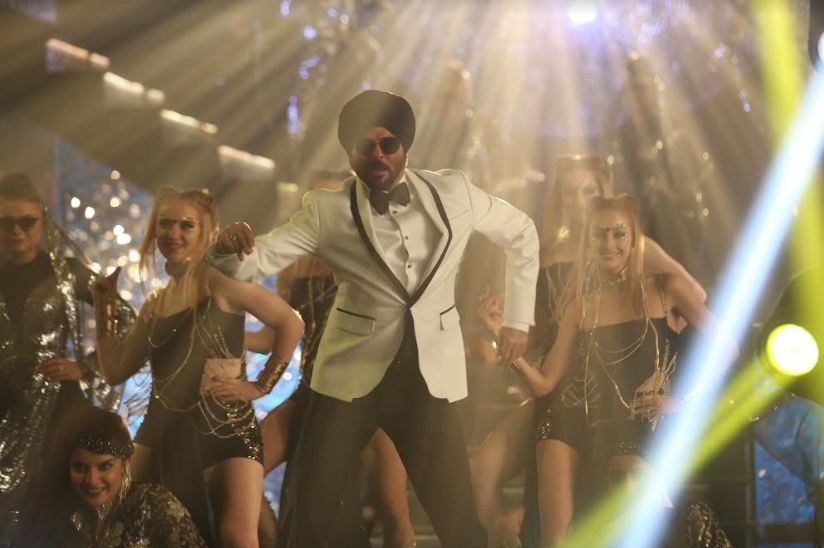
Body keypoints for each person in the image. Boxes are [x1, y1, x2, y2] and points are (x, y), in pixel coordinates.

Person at [207, 89, 540, 547]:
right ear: (350, 152)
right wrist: (226, 248)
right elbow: (255, 260)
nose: (377, 154)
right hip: (349, 377)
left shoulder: (455, 192)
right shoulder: (326, 210)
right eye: (365, 145)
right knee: (311, 512)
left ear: (406, 146)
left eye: (388, 143)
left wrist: (519, 319)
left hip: (428, 379)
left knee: (457, 518)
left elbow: (522, 233)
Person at [469, 155, 705, 547]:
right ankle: (507, 532)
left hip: (618, 397)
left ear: (602, 192)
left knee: (611, 506)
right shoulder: (546, 253)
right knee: (481, 472)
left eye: (587, 191)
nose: (578, 201)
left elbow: (693, 299)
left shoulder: (634, 246)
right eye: (569, 193)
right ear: (558, 198)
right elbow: (540, 333)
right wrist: (502, 340)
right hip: (557, 386)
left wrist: (664, 366)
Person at [92, 187, 305, 547]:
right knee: (123, 525)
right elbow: (115, 371)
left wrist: (260, 385)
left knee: (237, 538)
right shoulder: (156, 303)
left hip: (225, 431)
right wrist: (103, 308)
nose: (173, 233)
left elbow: (290, 323)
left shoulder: (217, 281)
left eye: (186, 225)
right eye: (165, 223)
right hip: (164, 430)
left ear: (205, 232)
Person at [512, 194, 721, 545]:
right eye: (599, 234)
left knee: (651, 526)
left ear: (635, 238)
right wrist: (509, 348)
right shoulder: (580, 307)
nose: (609, 243)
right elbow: (544, 383)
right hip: (583, 422)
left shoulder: (666, 287)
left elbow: (725, 350)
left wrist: (682, 402)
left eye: (618, 233)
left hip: (643, 428)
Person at [251, 169, 414, 547]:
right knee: (244, 467)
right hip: (312, 392)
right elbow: (276, 335)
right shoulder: (295, 265)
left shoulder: (375, 255)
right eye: (314, 202)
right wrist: (224, 337)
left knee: (394, 509)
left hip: (375, 392)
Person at [0, 173, 134, 543]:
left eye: (27, 221)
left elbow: (125, 319)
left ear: (43, 222)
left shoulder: (66, 272)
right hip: (5, 404)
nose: (17, 230)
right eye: (7, 222)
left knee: (57, 499)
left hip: (56, 403)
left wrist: (86, 367)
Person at [15, 405, 207, 547]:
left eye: (105, 466)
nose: (92, 480)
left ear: (124, 464)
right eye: (80, 468)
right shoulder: (57, 511)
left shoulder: (153, 503)